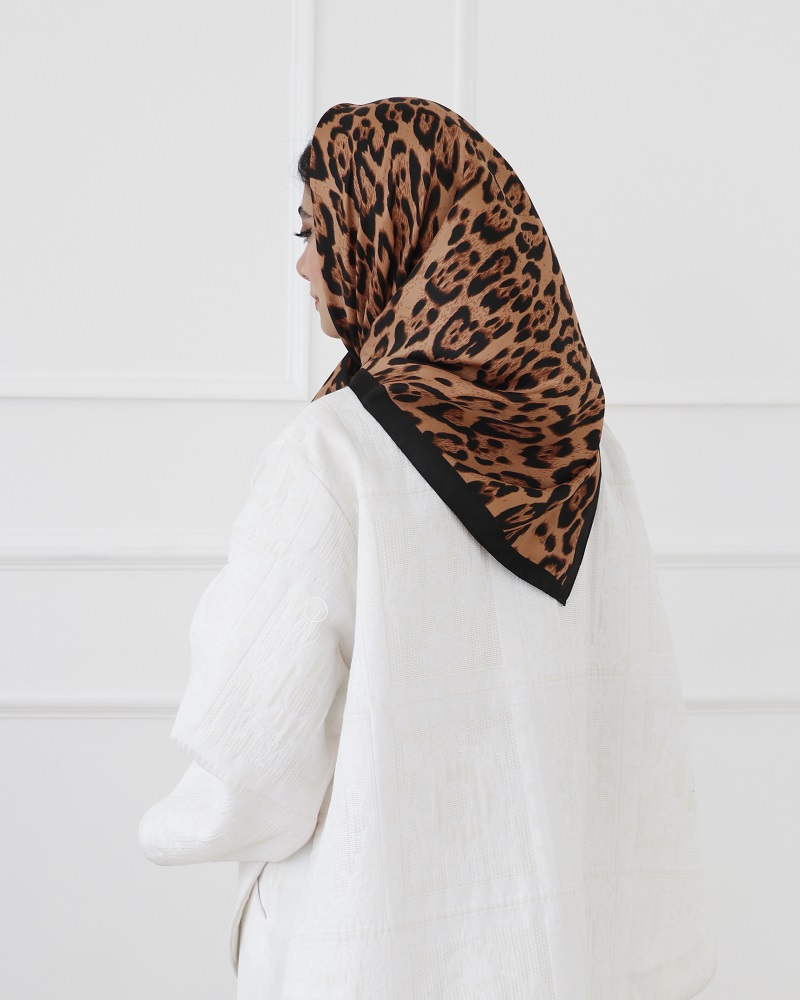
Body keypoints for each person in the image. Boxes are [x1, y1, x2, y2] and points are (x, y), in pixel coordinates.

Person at [139, 96, 717, 999]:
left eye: (315, 232)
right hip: (583, 955)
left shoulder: (333, 457)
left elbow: (254, 758)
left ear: (396, 238)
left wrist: (170, 829)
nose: (303, 264)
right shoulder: (589, 451)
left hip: (378, 951)